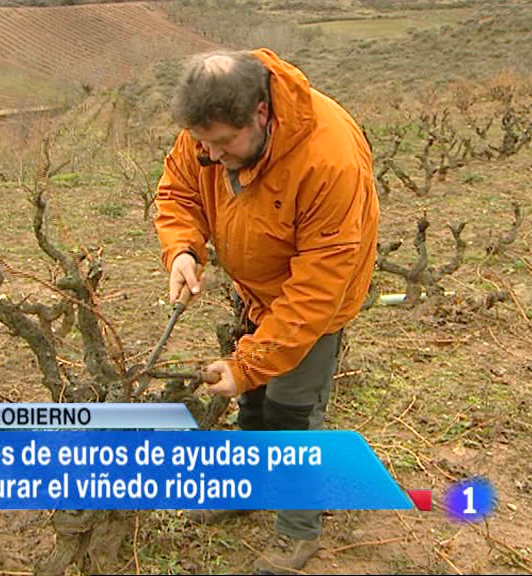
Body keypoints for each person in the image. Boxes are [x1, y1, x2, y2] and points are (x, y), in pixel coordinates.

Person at [154, 48, 380, 574]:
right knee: (252, 402)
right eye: (203, 143)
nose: (211, 155)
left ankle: (299, 532)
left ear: (261, 113)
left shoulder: (329, 158)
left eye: (223, 143)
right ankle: (247, 491)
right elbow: (179, 191)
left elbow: (318, 286)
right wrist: (183, 249)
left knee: (290, 414)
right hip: (257, 288)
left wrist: (250, 363)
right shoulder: (210, 132)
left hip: (316, 303)